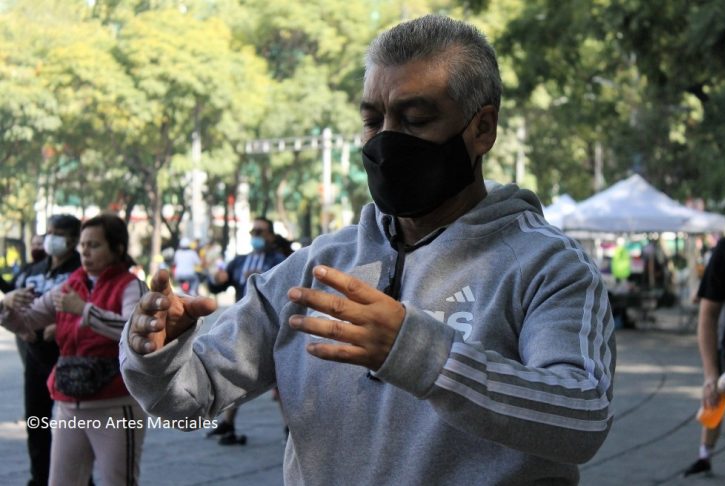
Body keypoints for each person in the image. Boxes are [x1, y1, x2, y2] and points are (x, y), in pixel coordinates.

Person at [121, 15, 615, 485]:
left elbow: (582, 416)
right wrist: (159, 354)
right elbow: (189, 401)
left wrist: (419, 354)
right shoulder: (317, 267)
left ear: (482, 128)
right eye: (373, 120)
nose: (387, 141)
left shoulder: (547, 267)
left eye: (415, 119)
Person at [1, 214, 148, 486]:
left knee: (119, 481)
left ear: (117, 248)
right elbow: (28, 321)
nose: (86, 252)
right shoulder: (71, 285)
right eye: (83, 245)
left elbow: (133, 332)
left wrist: (84, 311)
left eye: (95, 245)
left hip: (115, 405)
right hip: (69, 403)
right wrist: (5, 307)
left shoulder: (130, 285)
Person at [0, 218, 82, 486]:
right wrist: (12, 307)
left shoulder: (81, 271)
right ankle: (39, 477)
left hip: (71, 358)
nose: (51, 239)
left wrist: (61, 326)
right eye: (49, 233)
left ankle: (80, 479)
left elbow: (94, 308)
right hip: (35, 357)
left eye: (59, 234)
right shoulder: (33, 269)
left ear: (73, 239)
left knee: (75, 426)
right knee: (36, 421)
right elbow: (12, 298)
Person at [206, 217, 288, 445]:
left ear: (271, 235)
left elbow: (285, 286)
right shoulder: (240, 261)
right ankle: (228, 423)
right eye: (253, 231)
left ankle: (289, 428)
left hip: (273, 325)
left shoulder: (278, 260)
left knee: (281, 380)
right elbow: (218, 285)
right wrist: (216, 278)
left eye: (260, 231)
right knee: (235, 374)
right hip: (242, 325)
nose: (256, 236)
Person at [684, 230, 725, 477]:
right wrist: (710, 375)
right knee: (715, 400)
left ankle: (704, 455)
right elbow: (707, 314)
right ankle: (704, 454)